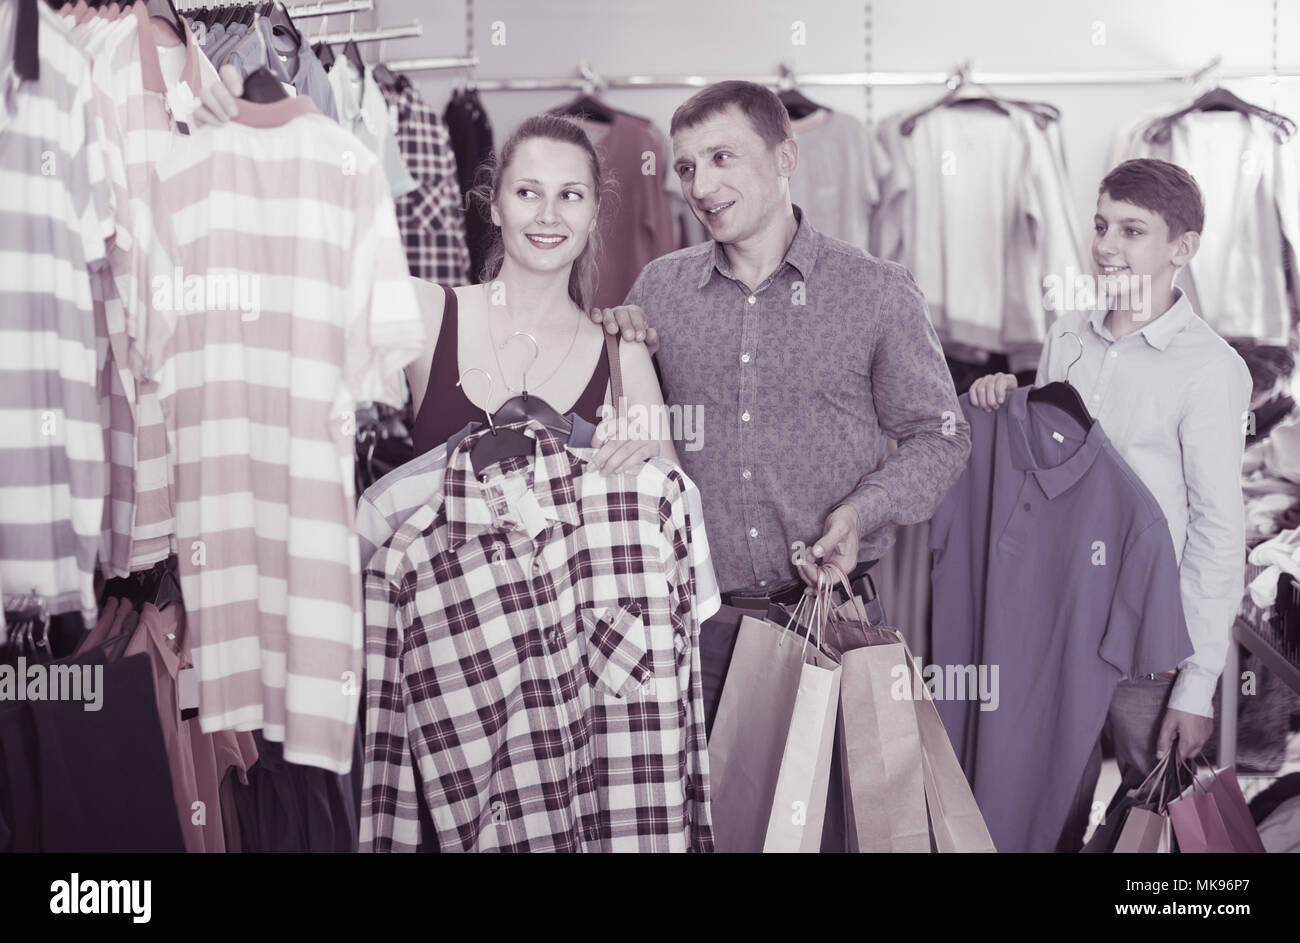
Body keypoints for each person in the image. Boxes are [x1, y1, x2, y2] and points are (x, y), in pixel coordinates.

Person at [589, 80, 971, 732]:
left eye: (722, 157)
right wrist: (616, 344)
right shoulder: (660, 289)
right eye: (686, 167)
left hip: (829, 625)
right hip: (696, 629)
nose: (700, 185)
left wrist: (861, 510)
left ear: (785, 157)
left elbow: (940, 436)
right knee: (703, 831)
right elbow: (630, 436)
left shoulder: (876, 291)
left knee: (824, 827)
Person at [968, 158, 1251, 851]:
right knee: (1044, 810)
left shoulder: (1212, 369)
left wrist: (1197, 681)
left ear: (1181, 249)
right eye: (1100, 226)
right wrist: (1005, 399)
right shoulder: (1068, 335)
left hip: (1147, 646)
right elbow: (1044, 472)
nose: (1106, 246)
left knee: (1156, 821)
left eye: (1132, 230)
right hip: (1056, 625)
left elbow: (1218, 530)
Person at [192, 69, 671, 474]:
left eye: (570, 195)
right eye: (528, 192)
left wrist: (645, 456)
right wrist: (240, 139)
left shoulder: (622, 356)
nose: (548, 214)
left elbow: (672, 513)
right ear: (495, 206)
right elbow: (299, 258)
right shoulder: (426, 311)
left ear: (592, 216)